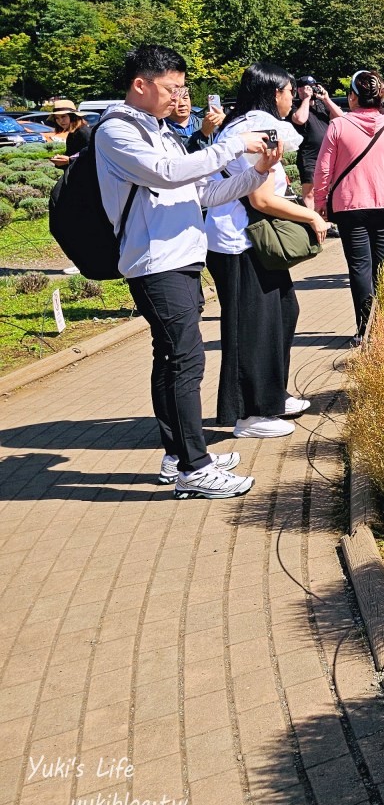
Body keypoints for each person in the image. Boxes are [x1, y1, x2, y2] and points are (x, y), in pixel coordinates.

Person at [96, 43, 280, 500]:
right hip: (155, 261)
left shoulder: (159, 131)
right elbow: (166, 173)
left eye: (182, 88)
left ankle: (179, 457)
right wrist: (234, 143)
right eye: (171, 87)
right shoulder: (116, 131)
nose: (180, 97)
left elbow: (206, 193)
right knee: (184, 360)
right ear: (140, 85)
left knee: (173, 359)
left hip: (181, 258)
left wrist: (258, 170)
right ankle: (193, 468)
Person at [206, 64, 329, 438]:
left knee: (282, 311)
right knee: (251, 327)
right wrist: (311, 216)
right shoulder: (256, 127)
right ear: (272, 92)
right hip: (239, 243)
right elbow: (260, 199)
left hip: (247, 242)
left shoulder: (245, 124)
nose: (292, 97)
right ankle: (249, 414)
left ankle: (271, 395)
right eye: (288, 90)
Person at [312, 70, 384, 338]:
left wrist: (320, 203)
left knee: (359, 268)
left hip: (349, 206)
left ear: (353, 96)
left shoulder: (338, 126)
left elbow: (323, 170)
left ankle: (365, 328)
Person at [289, 75, 343, 187]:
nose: (311, 89)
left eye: (313, 86)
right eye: (308, 87)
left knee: (329, 187)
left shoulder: (321, 104)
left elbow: (341, 117)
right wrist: (306, 99)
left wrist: (326, 99)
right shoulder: (295, 105)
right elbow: (300, 119)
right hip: (309, 156)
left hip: (327, 153)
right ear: (299, 89)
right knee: (310, 190)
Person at [47, 102, 92, 167]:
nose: (60, 121)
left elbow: (90, 154)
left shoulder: (84, 132)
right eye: (57, 118)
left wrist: (69, 160)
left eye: (63, 116)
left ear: (73, 116)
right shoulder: (72, 133)